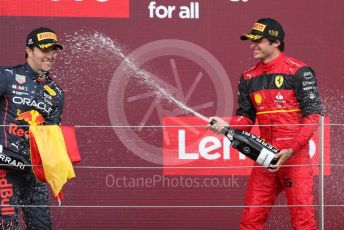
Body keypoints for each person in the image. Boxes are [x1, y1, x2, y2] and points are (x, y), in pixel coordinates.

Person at [210, 18, 322, 229]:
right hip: (264, 157)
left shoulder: (300, 72)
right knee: (250, 220)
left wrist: (291, 149)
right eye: (251, 40)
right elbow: (246, 119)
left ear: (275, 42)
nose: (252, 45)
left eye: (257, 41)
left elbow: (313, 116)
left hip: (295, 160)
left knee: (303, 222)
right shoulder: (248, 77)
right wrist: (225, 126)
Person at [0, 27, 64, 229]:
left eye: (54, 50)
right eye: (45, 50)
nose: (50, 55)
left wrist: (57, 167)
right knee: (6, 225)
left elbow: (50, 135)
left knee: (42, 226)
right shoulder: (8, 76)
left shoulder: (56, 93)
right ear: (29, 50)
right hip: (4, 167)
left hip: (33, 171)